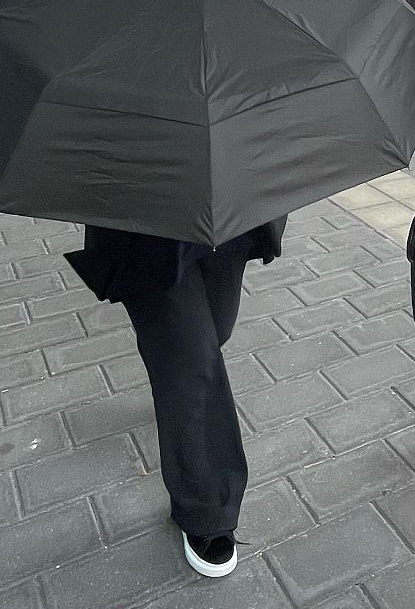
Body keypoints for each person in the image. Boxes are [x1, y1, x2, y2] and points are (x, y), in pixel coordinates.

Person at [65, 218, 286, 578]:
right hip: (146, 215)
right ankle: (207, 511)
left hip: (228, 210)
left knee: (215, 331)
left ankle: (170, 364)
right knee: (193, 360)